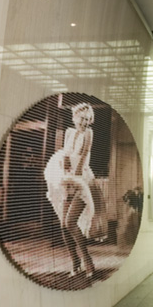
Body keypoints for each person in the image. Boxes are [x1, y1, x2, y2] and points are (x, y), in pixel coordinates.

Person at [44, 102, 96, 279]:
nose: (85, 122)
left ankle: (87, 261)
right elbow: (66, 155)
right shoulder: (69, 132)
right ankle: (75, 262)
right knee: (63, 225)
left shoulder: (89, 133)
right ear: (75, 118)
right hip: (67, 178)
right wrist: (65, 174)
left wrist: (75, 180)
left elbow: (82, 158)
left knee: (70, 222)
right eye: (82, 119)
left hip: (82, 180)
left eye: (88, 119)